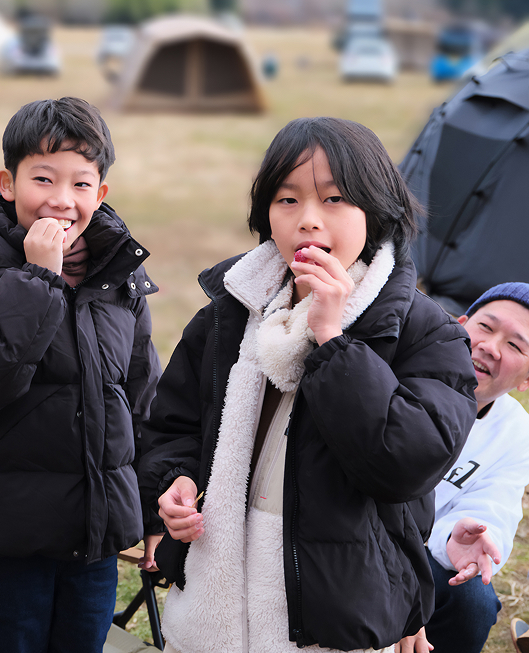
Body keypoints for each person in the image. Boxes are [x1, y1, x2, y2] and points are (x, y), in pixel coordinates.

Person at [137, 117, 478, 653]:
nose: (308, 222)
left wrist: (333, 339)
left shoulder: (423, 330)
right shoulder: (232, 313)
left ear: (377, 209)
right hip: (212, 606)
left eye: (335, 199)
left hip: (332, 617)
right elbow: (172, 424)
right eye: (287, 200)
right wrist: (173, 481)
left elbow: (406, 463)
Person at [0, 97, 160, 653]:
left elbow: (143, 398)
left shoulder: (118, 275)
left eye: (80, 184)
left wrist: (150, 507)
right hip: (0, 542)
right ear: (7, 183)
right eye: (43, 179)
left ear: (100, 194)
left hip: (90, 544)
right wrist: (35, 277)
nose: (61, 200)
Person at [396, 283, 529, 653]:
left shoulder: (516, 433)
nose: (490, 346)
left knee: (472, 598)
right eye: (485, 327)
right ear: (459, 324)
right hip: (348, 534)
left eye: (516, 345)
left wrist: (458, 537)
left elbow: (493, 511)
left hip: (426, 552)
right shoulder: (395, 370)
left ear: (527, 380)